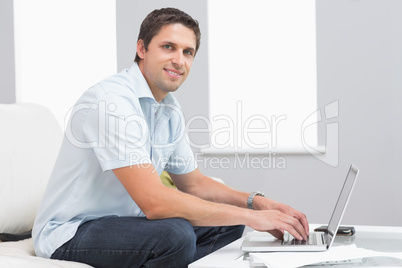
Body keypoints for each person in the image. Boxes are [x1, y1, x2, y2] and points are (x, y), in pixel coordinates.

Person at [32, 7, 309, 268]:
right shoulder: (111, 102)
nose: (179, 60)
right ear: (142, 48)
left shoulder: (168, 108)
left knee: (226, 222)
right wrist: (255, 218)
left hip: (127, 224)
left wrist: (257, 202)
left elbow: (194, 184)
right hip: (71, 232)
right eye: (169, 47)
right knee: (175, 236)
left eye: (188, 52)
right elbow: (155, 203)